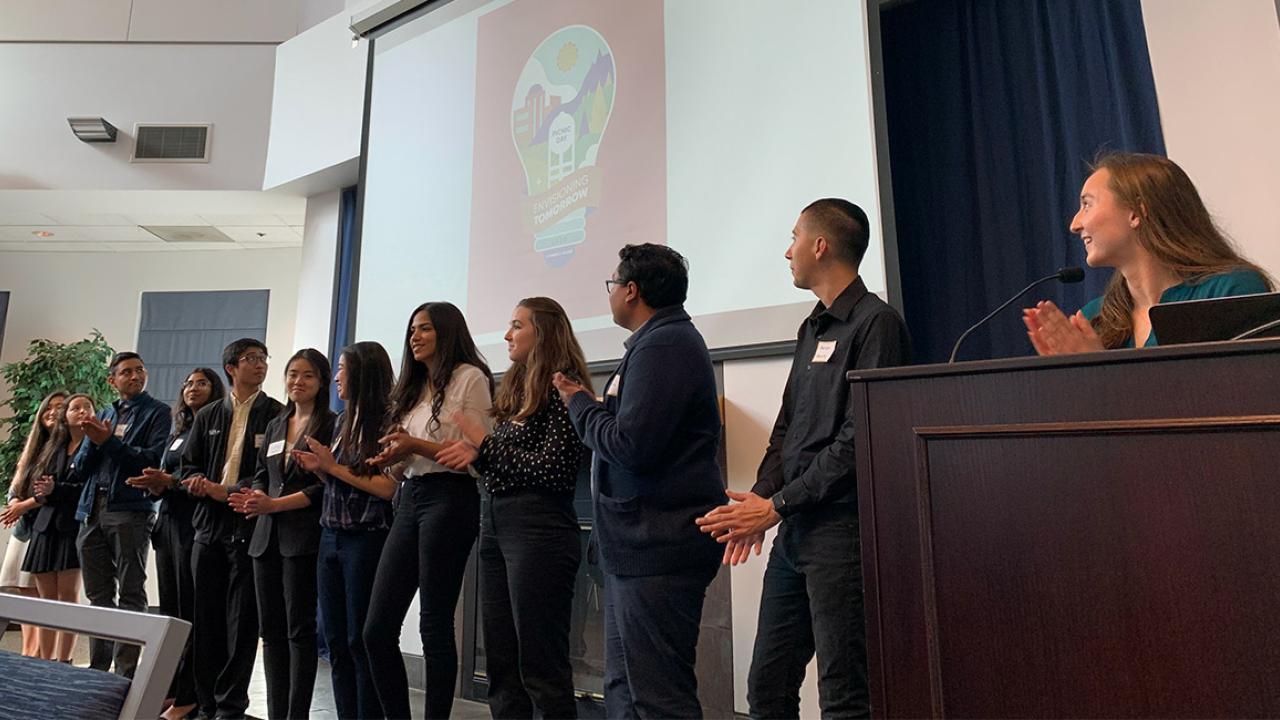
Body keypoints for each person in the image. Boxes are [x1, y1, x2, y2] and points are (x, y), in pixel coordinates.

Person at [697, 199, 912, 719]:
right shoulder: (812, 326)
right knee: (767, 688)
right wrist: (759, 500)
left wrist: (777, 505)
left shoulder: (877, 324)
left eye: (794, 237)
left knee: (843, 694)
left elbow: (858, 440)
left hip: (842, 534)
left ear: (820, 246)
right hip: (795, 532)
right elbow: (788, 429)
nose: (786, 251)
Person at [551, 244, 725, 719]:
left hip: (658, 547)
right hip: (635, 548)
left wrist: (578, 403)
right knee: (625, 688)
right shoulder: (654, 344)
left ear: (631, 291)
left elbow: (631, 446)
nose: (609, 293)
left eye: (612, 284)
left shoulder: (665, 346)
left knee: (657, 697)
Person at [437, 297, 591, 719]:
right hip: (497, 520)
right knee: (501, 662)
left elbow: (553, 471)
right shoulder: (518, 388)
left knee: (541, 663)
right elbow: (509, 464)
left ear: (544, 332)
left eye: (517, 325)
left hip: (540, 528)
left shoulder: (564, 386)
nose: (507, 335)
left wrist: (484, 444)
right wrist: (479, 453)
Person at [363, 301, 494, 720]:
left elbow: (478, 454)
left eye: (424, 329)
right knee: (376, 629)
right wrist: (392, 457)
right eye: (411, 330)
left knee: (434, 624)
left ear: (447, 332)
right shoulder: (413, 387)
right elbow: (405, 464)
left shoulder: (470, 378)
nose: (414, 337)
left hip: (451, 496)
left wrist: (415, 445)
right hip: (411, 496)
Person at [1023, 152, 1275, 353]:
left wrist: (1097, 370)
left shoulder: (1230, 290)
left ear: (1136, 213)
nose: (1075, 224)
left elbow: (1242, 392)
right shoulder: (1095, 318)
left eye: (1087, 204)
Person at [177, 339, 282, 719]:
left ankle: (230, 705)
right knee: (206, 620)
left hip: (248, 524)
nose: (260, 365)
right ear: (231, 368)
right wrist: (196, 482)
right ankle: (206, 704)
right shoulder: (208, 415)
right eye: (251, 359)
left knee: (242, 623)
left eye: (263, 359)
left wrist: (231, 491)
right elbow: (188, 465)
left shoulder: (276, 415)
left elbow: (272, 473)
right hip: (207, 528)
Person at [291, 341, 395, 720]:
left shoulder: (387, 422)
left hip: (366, 538)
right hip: (330, 535)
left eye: (342, 369)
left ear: (362, 373)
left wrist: (332, 467)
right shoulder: (341, 420)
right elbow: (340, 480)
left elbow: (387, 487)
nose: (336, 378)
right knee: (333, 640)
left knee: (358, 639)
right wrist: (320, 468)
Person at [229, 349, 336, 720]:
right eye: (292, 374)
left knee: (299, 631)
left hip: (302, 537)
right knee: (271, 633)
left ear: (321, 382)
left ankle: (296, 715)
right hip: (265, 538)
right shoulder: (277, 423)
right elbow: (263, 473)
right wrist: (257, 495)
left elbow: (324, 487)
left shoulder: (331, 424)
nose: (297, 382)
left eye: (307, 375)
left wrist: (275, 504)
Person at [127, 367, 225, 720]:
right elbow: (170, 475)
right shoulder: (179, 430)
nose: (192, 388)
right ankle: (169, 688)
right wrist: (156, 484)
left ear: (215, 389)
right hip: (168, 523)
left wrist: (170, 481)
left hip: (193, 524)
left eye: (202, 383)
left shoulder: (217, 429)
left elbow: (206, 477)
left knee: (189, 612)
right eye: (188, 383)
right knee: (170, 609)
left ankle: (191, 694)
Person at [75, 351, 172, 677]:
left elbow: (151, 461)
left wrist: (108, 442)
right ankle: (97, 669)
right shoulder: (104, 413)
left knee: (131, 590)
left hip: (129, 510)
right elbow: (80, 468)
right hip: (91, 510)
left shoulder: (158, 412)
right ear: (111, 380)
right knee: (98, 594)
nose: (135, 376)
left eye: (140, 370)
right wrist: (94, 441)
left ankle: (125, 673)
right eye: (127, 372)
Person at [24, 394, 95, 662]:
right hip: (45, 525)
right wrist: (45, 491)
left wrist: (56, 490)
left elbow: (87, 489)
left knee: (67, 598)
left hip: (72, 525)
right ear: (66, 415)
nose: (81, 411)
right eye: (75, 408)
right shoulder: (55, 445)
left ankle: (65, 660)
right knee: (46, 600)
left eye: (87, 407)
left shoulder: (94, 446)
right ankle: (46, 660)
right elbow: (39, 485)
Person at [1, 391, 68, 658]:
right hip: (23, 529)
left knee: (43, 595)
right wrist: (15, 501)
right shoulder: (34, 446)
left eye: (60, 407)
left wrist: (23, 506)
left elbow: (52, 490)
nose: (52, 412)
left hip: (46, 527)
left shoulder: (67, 447)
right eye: (48, 407)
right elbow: (15, 486)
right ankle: (29, 651)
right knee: (24, 591)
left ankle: (42, 654)